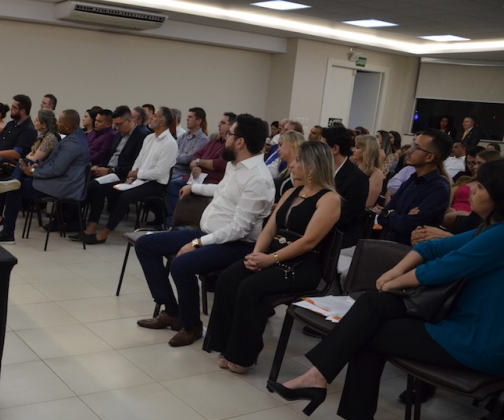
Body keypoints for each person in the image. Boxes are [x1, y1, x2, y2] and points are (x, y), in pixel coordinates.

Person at [269, 159, 504, 420]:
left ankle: (347, 410)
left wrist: (396, 281)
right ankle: (322, 383)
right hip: (458, 324)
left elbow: (445, 267)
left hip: (478, 341)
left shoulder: (499, 235)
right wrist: (394, 272)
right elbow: (433, 247)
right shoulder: (489, 229)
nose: (472, 191)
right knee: (371, 305)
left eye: (480, 187)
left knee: (366, 332)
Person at [134, 114, 274, 347]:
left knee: (182, 265)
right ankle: (172, 312)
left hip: (236, 245)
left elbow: (239, 229)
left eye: (229, 134)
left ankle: (192, 326)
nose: (224, 138)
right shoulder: (235, 165)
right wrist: (195, 187)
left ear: (240, 142)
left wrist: (198, 243)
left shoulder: (258, 179)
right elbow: (224, 192)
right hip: (209, 234)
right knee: (145, 245)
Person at [203, 141, 341, 372]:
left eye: (298, 161)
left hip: (301, 265)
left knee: (251, 287)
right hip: (273, 255)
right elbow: (269, 229)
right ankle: (223, 342)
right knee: (228, 278)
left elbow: (308, 242)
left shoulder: (329, 199)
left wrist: (270, 259)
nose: (292, 164)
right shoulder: (291, 192)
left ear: (312, 165)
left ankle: (242, 354)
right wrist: (256, 254)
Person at [73, 106, 177, 245]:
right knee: (99, 188)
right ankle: (92, 226)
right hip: (138, 179)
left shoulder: (170, 143)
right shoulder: (150, 138)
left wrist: (137, 174)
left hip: (155, 184)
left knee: (125, 197)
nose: (151, 118)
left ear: (162, 122)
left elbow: (159, 173)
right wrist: (131, 177)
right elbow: (139, 160)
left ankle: (104, 233)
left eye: (155, 116)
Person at [0, 110, 90, 244]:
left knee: (14, 190)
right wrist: (37, 166)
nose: (56, 124)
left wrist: (33, 173)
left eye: (59, 122)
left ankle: (7, 234)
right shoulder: (75, 137)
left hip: (63, 185)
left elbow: (56, 169)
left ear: (67, 126)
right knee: (25, 164)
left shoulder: (73, 143)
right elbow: (54, 165)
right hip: (59, 180)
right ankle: (14, 180)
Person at [0, 109, 61, 232]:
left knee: (4, 163)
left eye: (36, 120)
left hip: (34, 170)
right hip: (29, 166)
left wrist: (24, 159)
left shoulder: (50, 137)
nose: (34, 122)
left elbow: (34, 158)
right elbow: (30, 155)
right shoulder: (42, 136)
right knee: (2, 179)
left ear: (44, 124)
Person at [376, 129, 452, 245]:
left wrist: (391, 214)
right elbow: (382, 216)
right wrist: (397, 215)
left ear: (429, 157)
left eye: (416, 147)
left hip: (408, 250)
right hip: (387, 243)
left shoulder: (438, 189)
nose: (410, 150)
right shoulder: (412, 179)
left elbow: (409, 226)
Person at [165, 112, 235, 222]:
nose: (219, 125)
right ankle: (172, 220)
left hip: (210, 181)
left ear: (231, 126)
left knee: (176, 186)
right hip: (196, 177)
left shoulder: (230, 147)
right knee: (171, 185)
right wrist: (195, 166)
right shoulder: (214, 142)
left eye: (222, 123)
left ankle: (178, 222)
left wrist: (198, 162)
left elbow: (220, 164)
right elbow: (196, 155)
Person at [319, 126, 369, 249]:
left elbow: (345, 217)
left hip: (340, 237)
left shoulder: (357, 179)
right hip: (322, 228)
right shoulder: (322, 171)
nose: (318, 151)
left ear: (335, 149)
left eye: (322, 146)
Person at [171, 107, 209, 180]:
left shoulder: (202, 139)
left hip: (184, 173)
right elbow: (171, 152)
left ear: (198, 121)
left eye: (190, 117)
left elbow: (189, 159)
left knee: (168, 183)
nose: (187, 119)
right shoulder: (183, 136)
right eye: (187, 117)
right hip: (173, 170)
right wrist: (184, 155)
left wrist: (177, 155)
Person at [352, 134, 386, 208]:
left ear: (367, 150)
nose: (353, 150)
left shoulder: (376, 174)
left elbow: (367, 204)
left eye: (357, 147)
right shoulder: (352, 167)